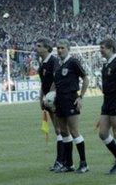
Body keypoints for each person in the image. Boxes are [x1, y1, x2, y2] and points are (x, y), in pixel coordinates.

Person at [52, 40, 90, 174]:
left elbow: (85, 78)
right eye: (58, 48)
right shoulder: (58, 66)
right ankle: (69, 164)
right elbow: (55, 84)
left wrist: (80, 97)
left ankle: (84, 163)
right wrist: (50, 97)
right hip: (59, 101)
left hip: (70, 99)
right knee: (63, 132)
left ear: (68, 49)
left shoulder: (73, 62)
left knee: (74, 131)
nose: (60, 50)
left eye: (62, 48)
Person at [98, 38, 116, 175]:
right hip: (107, 102)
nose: (101, 50)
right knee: (103, 133)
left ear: (111, 48)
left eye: (103, 47)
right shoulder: (105, 65)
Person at [35, 38, 63, 171]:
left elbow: (56, 80)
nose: (37, 48)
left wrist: (51, 96)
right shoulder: (42, 63)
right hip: (48, 99)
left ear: (47, 48)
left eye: (39, 46)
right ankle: (61, 161)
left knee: (62, 130)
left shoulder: (54, 61)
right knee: (58, 130)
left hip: (55, 99)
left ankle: (62, 161)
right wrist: (41, 99)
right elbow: (43, 83)